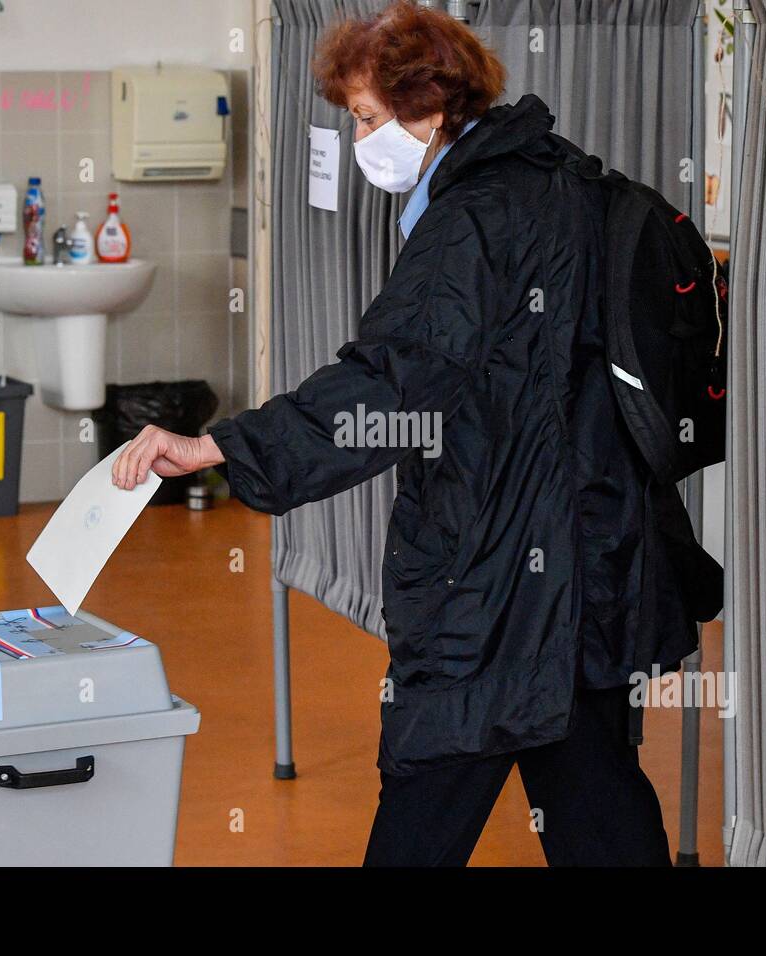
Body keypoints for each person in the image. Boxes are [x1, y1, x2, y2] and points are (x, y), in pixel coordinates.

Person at [113, 0, 715, 866]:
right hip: (592, 560)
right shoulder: (573, 183)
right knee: (594, 793)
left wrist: (222, 448)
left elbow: (393, 383)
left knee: (434, 793)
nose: (361, 141)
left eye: (366, 118)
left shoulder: (468, 223)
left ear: (429, 111)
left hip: (494, 576)